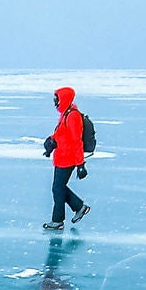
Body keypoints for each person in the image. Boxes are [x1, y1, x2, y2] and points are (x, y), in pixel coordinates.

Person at [40, 86, 91, 230]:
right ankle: (79, 207)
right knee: (59, 187)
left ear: (64, 99)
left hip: (68, 159)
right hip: (62, 157)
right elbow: (61, 134)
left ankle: (57, 221)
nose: (55, 103)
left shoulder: (73, 116)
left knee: (57, 188)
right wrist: (51, 141)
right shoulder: (65, 114)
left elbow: (76, 141)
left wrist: (81, 164)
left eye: (57, 100)